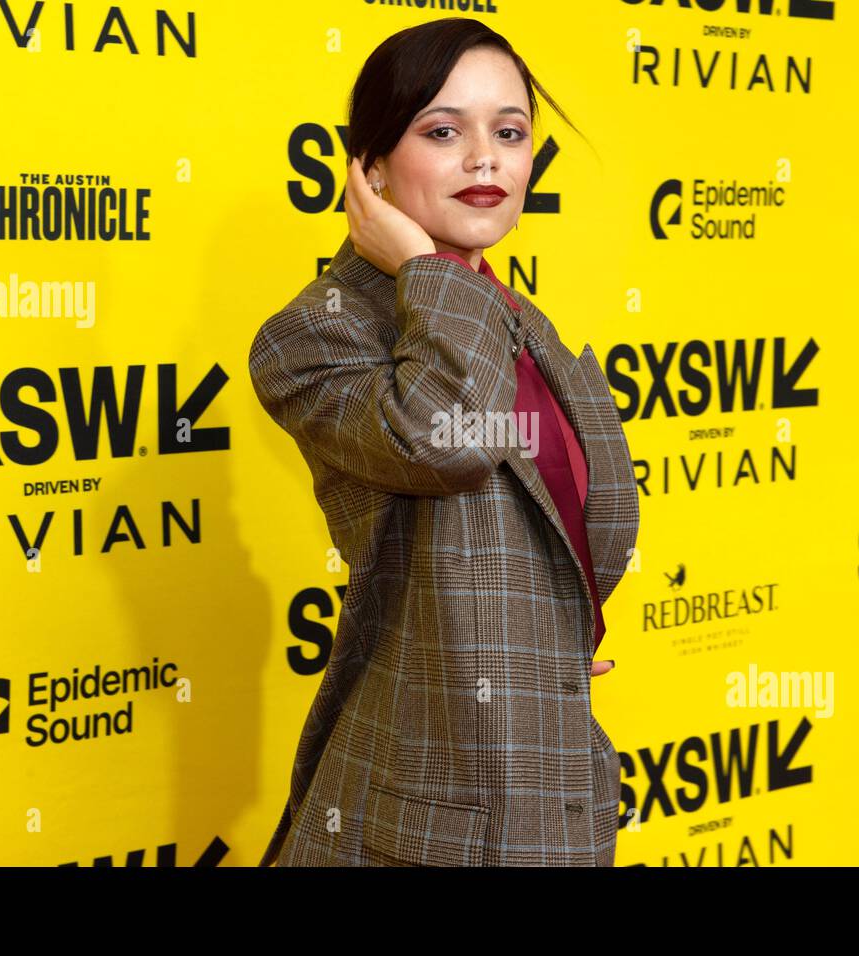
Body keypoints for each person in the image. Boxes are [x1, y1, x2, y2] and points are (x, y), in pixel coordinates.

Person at [249, 18, 639, 866]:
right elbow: (442, 438)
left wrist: (550, 640)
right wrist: (422, 265)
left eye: (509, 131)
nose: (486, 158)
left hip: (546, 769)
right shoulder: (315, 335)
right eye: (442, 131)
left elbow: (556, 526)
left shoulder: (520, 321)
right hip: (430, 815)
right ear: (370, 167)